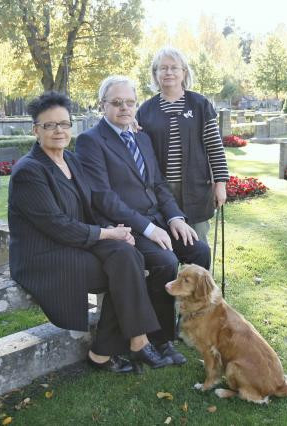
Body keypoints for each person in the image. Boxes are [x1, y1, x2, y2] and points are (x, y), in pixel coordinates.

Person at [8, 91, 172, 373]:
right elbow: (57, 225)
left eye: (63, 124)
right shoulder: (29, 171)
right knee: (124, 268)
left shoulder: (70, 161)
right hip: (44, 255)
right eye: (49, 125)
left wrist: (115, 230)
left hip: (74, 242)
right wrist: (108, 235)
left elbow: (86, 208)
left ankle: (109, 351)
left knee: (127, 254)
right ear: (36, 130)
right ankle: (132, 342)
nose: (58, 131)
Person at [75, 76, 211, 365]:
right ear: (102, 106)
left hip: (158, 219)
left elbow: (158, 184)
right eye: (116, 103)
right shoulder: (91, 141)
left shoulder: (141, 136)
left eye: (129, 102)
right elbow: (103, 197)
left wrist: (175, 217)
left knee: (198, 250)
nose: (124, 108)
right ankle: (159, 340)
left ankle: (190, 321)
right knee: (165, 261)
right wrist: (147, 228)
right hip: (124, 228)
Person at [136, 47, 229, 244]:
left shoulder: (199, 104)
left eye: (174, 68)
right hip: (160, 192)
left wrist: (220, 184)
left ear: (184, 72)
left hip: (196, 189)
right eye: (163, 68)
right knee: (164, 247)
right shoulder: (145, 110)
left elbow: (215, 147)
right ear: (155, 74)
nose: (168, 72)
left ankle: (200, 277)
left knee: (197, 245)